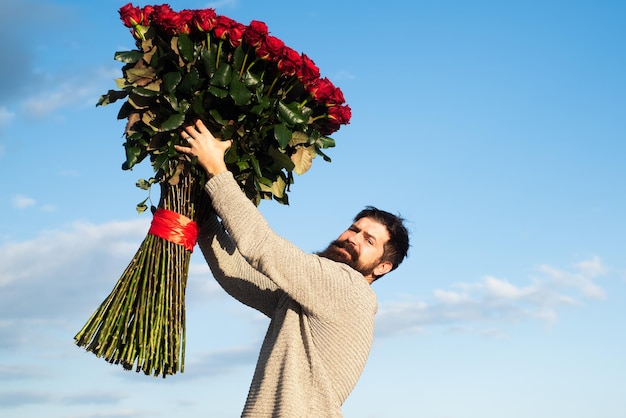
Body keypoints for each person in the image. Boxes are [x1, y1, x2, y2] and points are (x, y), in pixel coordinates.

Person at [175, 120, 410, 417]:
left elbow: (263, 247)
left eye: (368, 240)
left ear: (382, 267)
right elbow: (238, 275)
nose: (352, 239)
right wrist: (203, 217)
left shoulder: (348, 288)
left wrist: (217, 170)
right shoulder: (310, 298)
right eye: (353, 229)